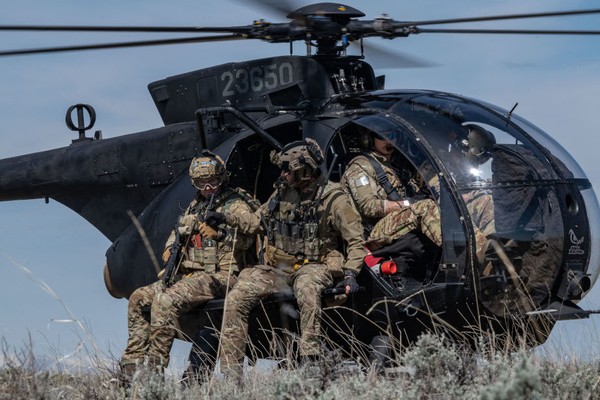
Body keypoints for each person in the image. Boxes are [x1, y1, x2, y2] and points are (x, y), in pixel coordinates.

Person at [216, 138, 367, 379]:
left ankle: (310, 360)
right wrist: (225, 218)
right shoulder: (281, 193)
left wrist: (351, 273)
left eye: (288, 170)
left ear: (304, 170)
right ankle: (231, 374)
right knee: (236, 298)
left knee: (307, 288)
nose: (283, 175)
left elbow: (357, 241)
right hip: (280, 268)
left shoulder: (334, 199)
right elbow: (255, 222)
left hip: (314, 265)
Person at [119, 151, 258, 381]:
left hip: (221, 275)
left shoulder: (235, 204)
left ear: (222, 178)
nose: (208, 187)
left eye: (213, 181)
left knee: (166, 301)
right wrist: (170, 248)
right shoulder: (195, 206)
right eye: (202, 183)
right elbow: (177, 234)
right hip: (189, 275)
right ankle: (130, 367)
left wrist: (220, 233)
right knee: (138, 298)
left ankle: (154, 371)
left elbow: (250, 234)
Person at [341, 128, 443, 256]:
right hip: (372, 231)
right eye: (382, 136)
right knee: (425, 207)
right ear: (369, 139)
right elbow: (369, 207)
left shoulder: (396, 163)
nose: (388, 140)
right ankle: (455, 252)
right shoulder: (360, 167)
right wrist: (407, 203)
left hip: (394, 221)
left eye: (392, 135)